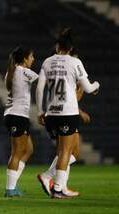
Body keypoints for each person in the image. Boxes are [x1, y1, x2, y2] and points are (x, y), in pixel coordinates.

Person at [36, 28, 100, 199]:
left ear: (57, 47)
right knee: (66, 152)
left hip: (51, 113)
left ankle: (59, 185)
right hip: (67, 113)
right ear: (70, 48)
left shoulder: (47, 62)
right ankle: (56, 187)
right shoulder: (75, 62)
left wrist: (41, 111)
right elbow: (87, 88)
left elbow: (40, 88)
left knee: (66, 151)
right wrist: (97, 85)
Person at [3, 46, 38, 197]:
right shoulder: (24, 72)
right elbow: (43, 80)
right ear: (24, 59)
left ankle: (13, 183)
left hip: (14, 115)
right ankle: (10, 189)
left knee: (28, 149)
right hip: (18, 116)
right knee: (16, 152)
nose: (33, 59)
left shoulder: (11, 72)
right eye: (31, 57)